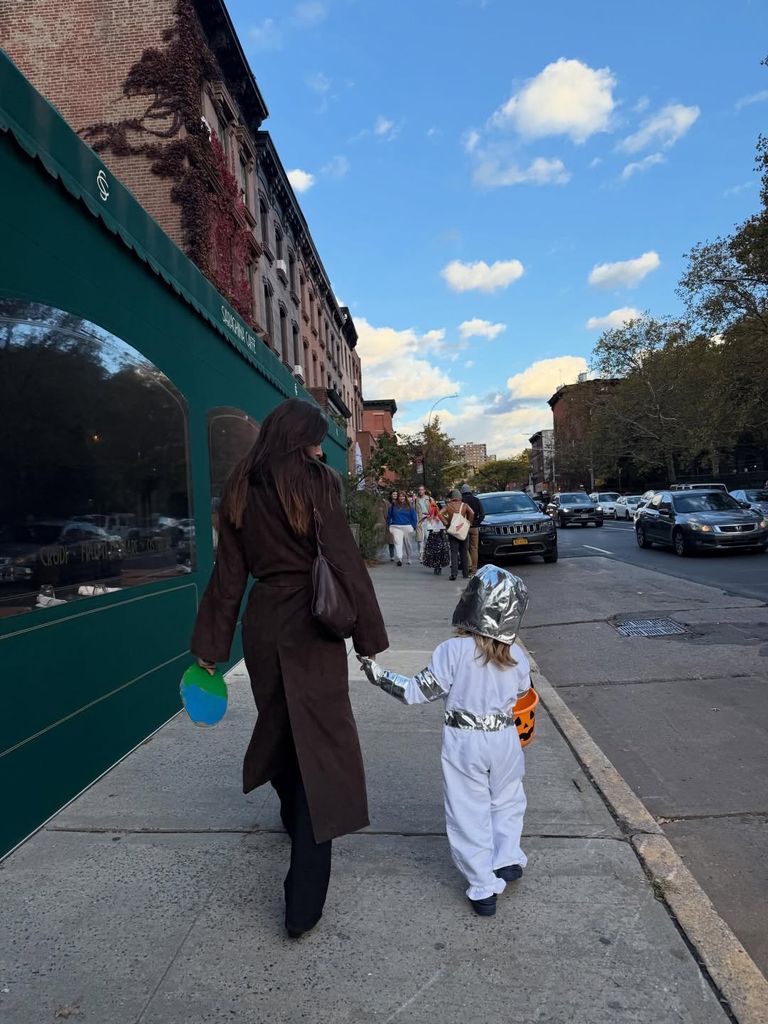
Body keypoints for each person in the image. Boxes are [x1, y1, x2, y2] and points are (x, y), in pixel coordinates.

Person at [190, 398, 388, 939]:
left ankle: (290, 811)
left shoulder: (240, 484)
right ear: (300, 436)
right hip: (312, 623)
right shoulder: (314, 480)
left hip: (264, 624)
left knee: (280, 722)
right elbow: (343, 557)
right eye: (315, 437)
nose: (320, 446)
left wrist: (210, 644)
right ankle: (303, 900)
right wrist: (367, 635)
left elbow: (228, 574)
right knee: (319, 743)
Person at [359, 566, 531, 916]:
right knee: (508, 799)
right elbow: (522, 694)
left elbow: (415, 692)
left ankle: (483, 886)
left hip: (464, 741)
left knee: (469, 810)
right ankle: (508, 857)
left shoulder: (452, 651)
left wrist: (378, 676)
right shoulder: (518, 658)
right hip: (505, 739)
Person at [441, 489, 474, 581]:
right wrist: (469, 523)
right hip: (463, 530)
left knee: (454, 552)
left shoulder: (448, 505)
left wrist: (446, 523)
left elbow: (440, 513)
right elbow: (472, 513)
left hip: (453, 530)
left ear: (452, 497)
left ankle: (454, 574)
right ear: (460, 497)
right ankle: (465, 573)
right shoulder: (465, 505)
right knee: (464, 551)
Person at [460, 484, 485, 578]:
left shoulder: (462, 501)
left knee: (464, 548)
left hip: (464, 527)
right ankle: (474, 570)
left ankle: (468, 567)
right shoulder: (476, 500)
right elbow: (482, 514)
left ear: (462, 492)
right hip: (474, 528)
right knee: (474, 548)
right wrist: (477, 523)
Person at [387, 490, 417, 566]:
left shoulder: (409, 506)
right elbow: (389, 516)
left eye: (403, 496)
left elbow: (414, 517)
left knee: (407, 543)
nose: (402, 497)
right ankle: (399, 558)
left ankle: (409, 557)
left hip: (407, 526)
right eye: (400, 496)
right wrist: (389, 524)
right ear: (398, 497)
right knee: (398, 542)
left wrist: (413, 526)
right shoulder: (393, 506)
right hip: (396, 526)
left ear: (405, 497)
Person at [421, 497, 450, 575]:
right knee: (435, 551)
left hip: (440, 534)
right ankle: (436, 566)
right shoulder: (430, 515)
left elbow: (445, 522)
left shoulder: (442, 514)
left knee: (440, 551)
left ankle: (438, 566)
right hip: (433, 534)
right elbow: (428, 526)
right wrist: (430, 519)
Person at [414, 484, 431, 561]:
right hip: (419, 519)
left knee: (428, 537)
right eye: (419, 490)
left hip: (428, 519)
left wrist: (431, 516)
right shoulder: (416, 500)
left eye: (422, 489)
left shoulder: (429, 499)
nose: (420, 491)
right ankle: (421, 554)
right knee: (420, 538)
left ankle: (428, 553)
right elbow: (414, 510)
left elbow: (434, 509)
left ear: (424, 490)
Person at [385, 488, 398, 561]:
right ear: (391, 495)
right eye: (394, 494)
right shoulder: (387, 503)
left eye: (396, 494)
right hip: (390, 522)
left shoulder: (400, 502)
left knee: (398, 540)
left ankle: (399, 554)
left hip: (399, 522)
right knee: (391, 541)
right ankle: (392, 555)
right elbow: (386, 513)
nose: (395, 495)